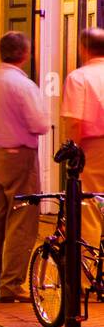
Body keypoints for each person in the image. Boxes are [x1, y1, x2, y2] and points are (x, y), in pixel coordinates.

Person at [0, 32, 50, 302]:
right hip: (19, 156)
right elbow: (39, 124)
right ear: (25, 54)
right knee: (21, 220)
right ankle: (11, 284)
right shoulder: (23, 85)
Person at [62, 28, 104, 250]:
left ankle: (86, 277)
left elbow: (74, 122)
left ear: (83, 49)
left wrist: (72, 151)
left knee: (89, 208)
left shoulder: (79, 77)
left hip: (94, 149)